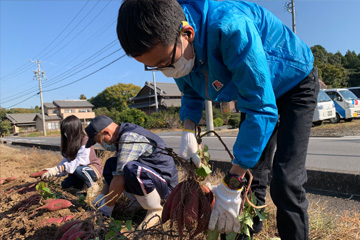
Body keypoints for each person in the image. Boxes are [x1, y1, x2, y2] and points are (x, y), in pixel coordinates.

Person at [116, 0, 319, 239]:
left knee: (286, 181)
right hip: (256, 94)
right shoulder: (176, 49)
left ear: (187, 33)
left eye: (165, 64)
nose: (166, 71)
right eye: (155, 67)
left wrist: (231, 181)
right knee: (253, 176)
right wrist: (188, 128)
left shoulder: (230, 27)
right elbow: (190, 89)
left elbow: (261, 108)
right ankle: (242, 233)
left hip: (294, 83)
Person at [85, 116, 178, 229]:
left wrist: (106, 209)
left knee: (132, 169)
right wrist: (100, 199)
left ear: (106, 133)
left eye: (100, 141)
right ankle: (138, 203)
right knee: (111, 163)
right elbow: (114, 172)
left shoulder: (129, 137)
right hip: (153, 180)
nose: (102, 145)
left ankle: (155, 209)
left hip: (166, 189)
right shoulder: (121, 136)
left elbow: (119, 178)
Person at [41, 115, 102, 199]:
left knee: (79, 169)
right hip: (78, 173)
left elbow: (81, 161)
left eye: (67, 131)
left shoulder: (85, 140)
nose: (65, 133)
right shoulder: (68, 144)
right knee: (65, 185)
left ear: (75, 130)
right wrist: (53, 170)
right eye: (64, 131)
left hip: (91, 170)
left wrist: (58, 169)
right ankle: (82, 189)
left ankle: (92, 185)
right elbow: (65, 162)